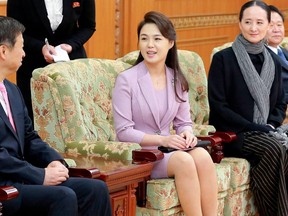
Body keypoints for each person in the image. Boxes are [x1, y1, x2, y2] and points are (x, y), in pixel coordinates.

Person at [0, 16, 111, 216]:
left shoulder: (12, 90)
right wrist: (40, 175)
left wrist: (55, 161)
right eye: (21, 47)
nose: (25, 53)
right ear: (3, 51)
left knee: (96, 189)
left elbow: (29, 137)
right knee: (63, 196)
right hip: (4, 187)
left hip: (22, 179)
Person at [112, 11, 217, 216]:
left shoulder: (177, 78)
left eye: (157, 39)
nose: (150, 45)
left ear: (170, 43)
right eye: (144, 39)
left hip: (170, 150)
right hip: (142, 155)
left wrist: (187, 134)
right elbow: (123, 132)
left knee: (203, 156)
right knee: (184, 161)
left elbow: (183, 123)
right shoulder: (126, 80)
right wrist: (165, 140)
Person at [208, 1, 288, 215]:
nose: (254, 28)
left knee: (280, 144)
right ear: (239, 23)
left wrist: (270, 125)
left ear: (268, 25)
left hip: (264, 130)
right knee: (274, 148)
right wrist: (255, 127)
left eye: (259, 22)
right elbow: (218, 106)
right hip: (234, 133)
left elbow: (280, 103)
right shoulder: (223, 59)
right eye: (248, 22)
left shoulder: (274, 60)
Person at [6, 0, 96, 122]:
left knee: (75, 119)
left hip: (71, 63)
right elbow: (14, 32)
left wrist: (71, 45)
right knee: (34, 120)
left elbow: (88, 26)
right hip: (33, 65)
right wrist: (40, 47)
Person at [266, 5, 288, 104]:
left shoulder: (283, 51)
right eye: (271, 25)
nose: (276, 30)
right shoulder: (260, 57)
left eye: (279, 25)